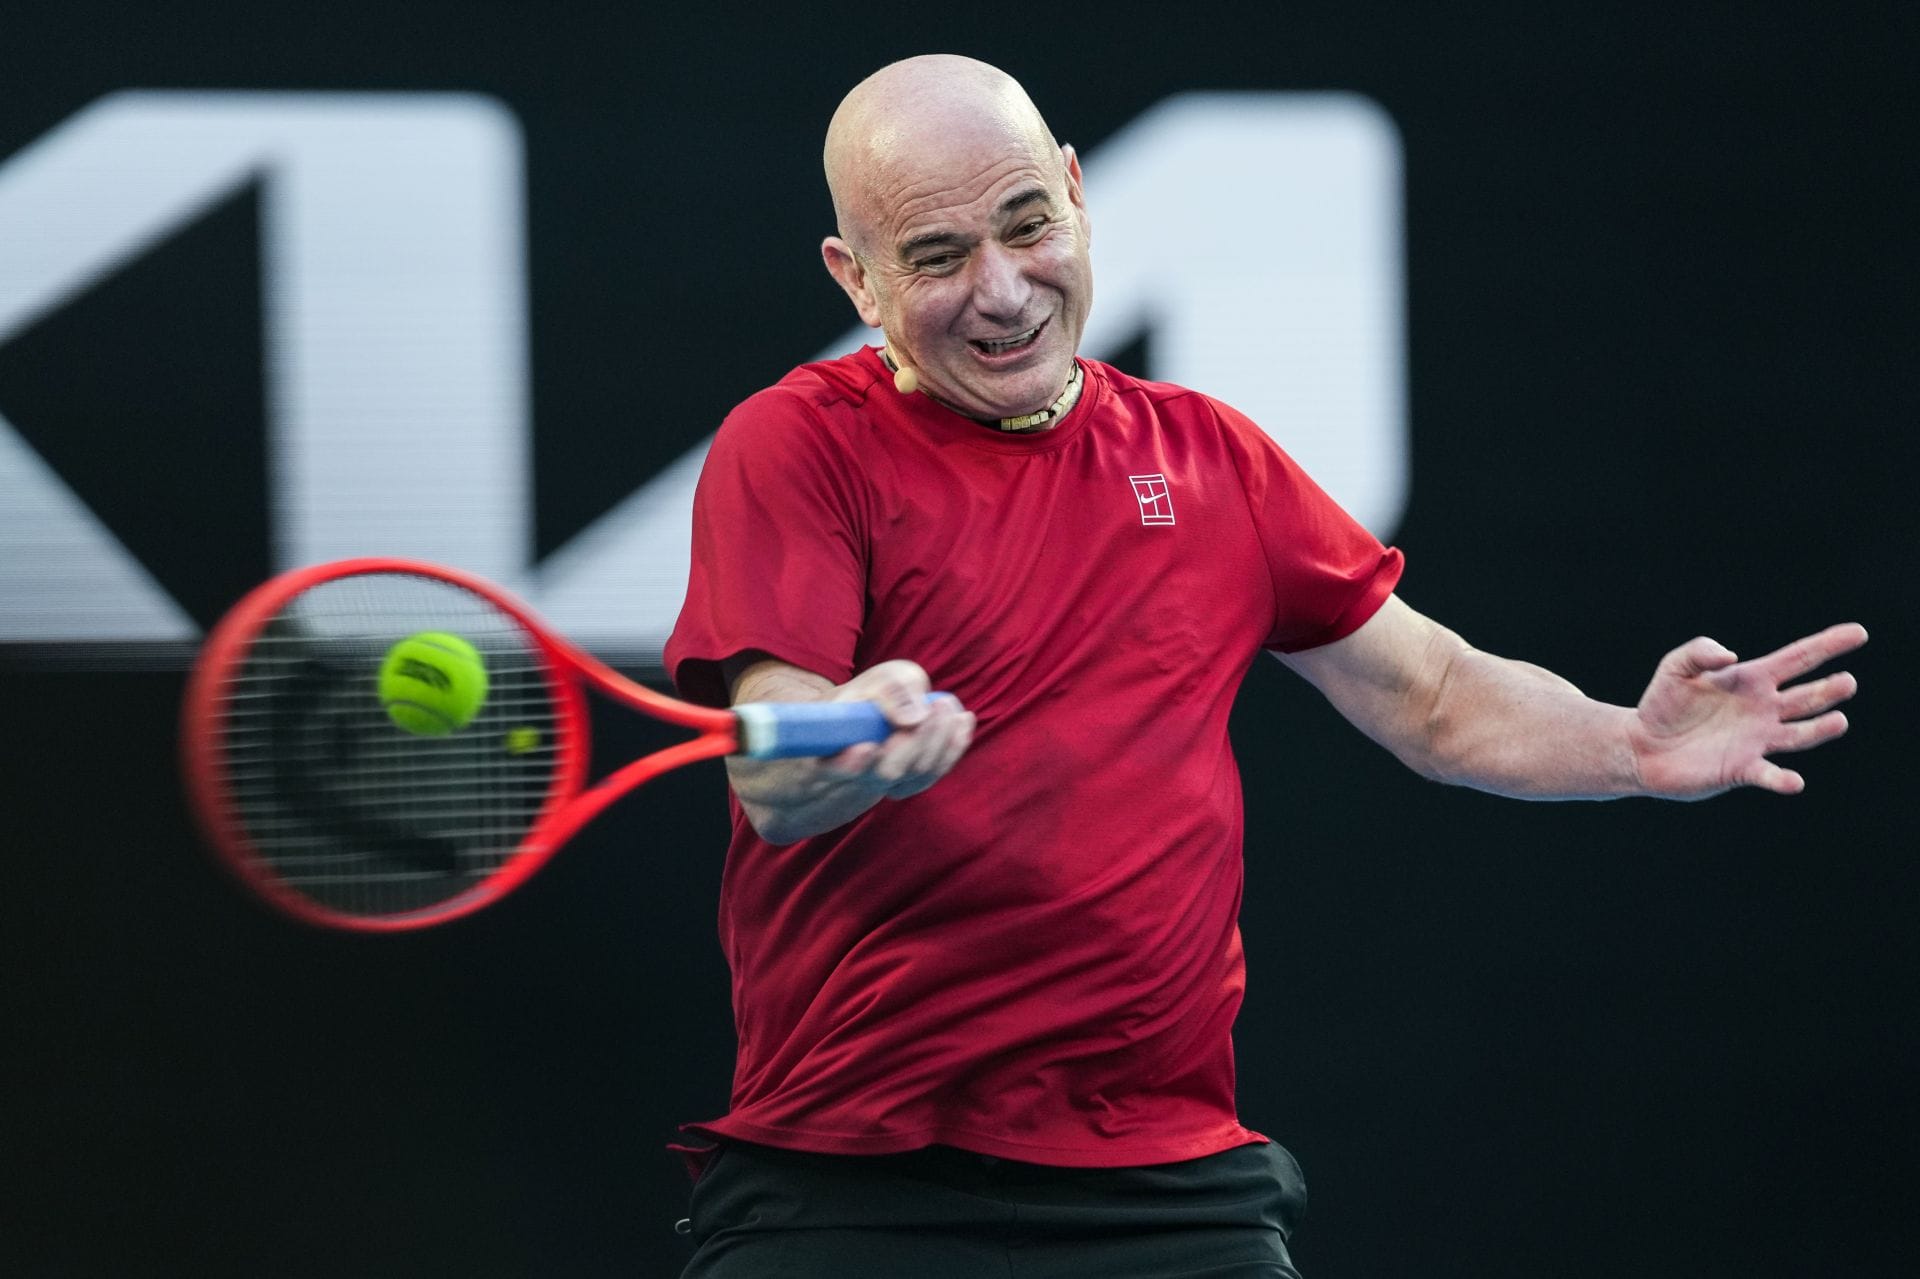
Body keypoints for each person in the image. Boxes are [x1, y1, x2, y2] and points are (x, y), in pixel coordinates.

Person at [662, 54, 1865, 1278]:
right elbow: (775, 759)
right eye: (936, 256)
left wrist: (1630, 745)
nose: (1004, 289)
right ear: (855, 280)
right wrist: (855, 743)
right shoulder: (797, 445)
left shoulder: (1205, 459)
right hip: (855, 1181)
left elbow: (1437, 697)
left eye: (1029, 226)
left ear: (1077, 195)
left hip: (1169, 1184)